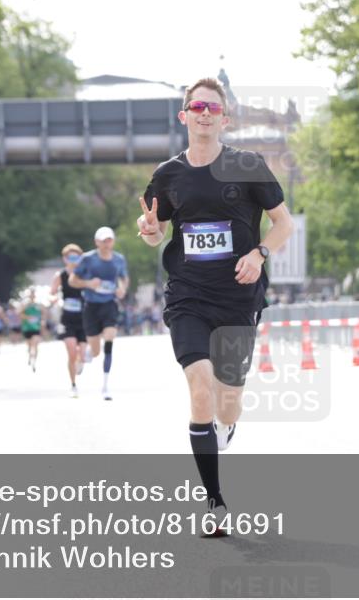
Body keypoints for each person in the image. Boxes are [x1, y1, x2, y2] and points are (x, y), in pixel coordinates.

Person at [137, 77, 293, 535]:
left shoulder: (247, 165)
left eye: (213, 106)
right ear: (183, 116)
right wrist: (148, 232)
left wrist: (258, 253)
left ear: (224, 117)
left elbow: (283, 225)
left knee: (228, 399)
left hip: (238, 298)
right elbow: (155, 228)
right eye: (196, 106)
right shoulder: (169, 174)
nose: (204, 112)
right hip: (187, 294)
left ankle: (223, 429)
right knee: (199, 388)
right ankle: (215, 503)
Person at [70, 228, 129, 400]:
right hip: (91, 307)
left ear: (113, 241)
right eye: (103, 240)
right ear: (97, 242)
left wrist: (122, 289)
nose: (106, 243)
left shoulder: (119, 259)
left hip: (109, 305)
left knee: (109, 341)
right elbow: (72, 280)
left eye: (109, 240)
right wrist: (88, 283)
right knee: (95, 351)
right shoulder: (88, 259)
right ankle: (87, 355)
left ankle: (105, 385)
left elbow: (124, 278)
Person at [51, 244, 88, 396]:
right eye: (70, 257)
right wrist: (53, 299)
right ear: (65, 259)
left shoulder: (84, 273)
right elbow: (52, 292)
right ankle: (73, 385)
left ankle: (81, 359)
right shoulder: (60, 275)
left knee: (82, 354)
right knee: (71, 352)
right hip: (67, 317)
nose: (73, 260)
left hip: (84, 317)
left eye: (76, 257)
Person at [20, 289, 45, 372]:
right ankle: (30, 357)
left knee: (35, 344)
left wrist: (42, 322)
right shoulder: (25, 305)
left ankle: (34, 362)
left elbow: (43, 314)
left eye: (33, 294)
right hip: (27, 328)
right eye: (31, 294)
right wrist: (28, 317)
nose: (32, 296)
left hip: (36, 328)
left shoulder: (39, 305)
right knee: (29, 346)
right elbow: (20, 314)